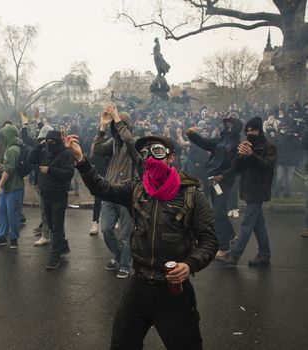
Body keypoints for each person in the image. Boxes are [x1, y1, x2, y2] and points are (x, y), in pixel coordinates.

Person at [65, 133, 217, 349]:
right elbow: (102, 188)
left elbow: (209, 241)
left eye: (157, 151)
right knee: (121, 343)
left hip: (173, 289)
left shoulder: (191, 194)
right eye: (145, 153)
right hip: (141, 283)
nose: (150, 158)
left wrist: (189, 265)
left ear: (171, 157)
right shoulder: (137, 189)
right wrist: (81, 159)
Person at [217, 117, 276, 266]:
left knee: (246, 224)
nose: (250, 133)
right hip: (247, 188)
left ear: (259, 130)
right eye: (248, 130)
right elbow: (236, 166)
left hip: (259, 189)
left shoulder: (269, 146)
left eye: (253, 130)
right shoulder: (245, 145)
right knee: (258, 225)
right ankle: (265, 255)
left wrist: (251, 154)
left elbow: (268, 165)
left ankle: (234, 255)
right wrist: (240, 154)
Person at [186, 115, 242, 258]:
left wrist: (222, 176)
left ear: (236, 127)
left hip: (224, 181)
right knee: (220, 212)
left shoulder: (238, 144)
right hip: (212, 179)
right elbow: (204, 142)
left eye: (231, 125)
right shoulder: (219, 141)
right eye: (226, 124)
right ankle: (230, 236)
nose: (228, 127)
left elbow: (236, 167)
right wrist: (191, 134)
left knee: (217, 214)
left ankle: (223, 247)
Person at [93, 104, 138, 279]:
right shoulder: (113, 143)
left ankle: (126, 264)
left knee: (126, 235)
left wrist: (118, 118)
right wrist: (103, 127)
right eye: (116, 126)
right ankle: (120, 256)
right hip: (110, 191)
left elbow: (128, 139)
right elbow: (96, 149)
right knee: (106, 229)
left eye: (119, 126)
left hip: (127, 194)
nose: (118, 129)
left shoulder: (134, 142)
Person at [28, 130, 74, 269]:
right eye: (47, 142)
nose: (50, 144)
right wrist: (39, 145)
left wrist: (50, 170)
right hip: (45, 194)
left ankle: (54, 257)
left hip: (59, 195)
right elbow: (30, 159)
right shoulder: (44, 152)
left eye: (52, 142)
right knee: (51, 225)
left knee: (57, 227)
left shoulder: (66, 154)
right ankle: (63, 246)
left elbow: (68, 173)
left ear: (58, 141)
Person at [0, 119, 25, 249]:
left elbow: (9, 171)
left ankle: (14, 238)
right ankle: (0, 237)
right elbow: (8, 168)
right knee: (1, 211)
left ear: (8, 135)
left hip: (14, 187)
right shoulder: (9, 147)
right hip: (7, 188)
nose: (1, 135)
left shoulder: (13, 149)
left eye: (4, 133)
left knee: (13, 214)